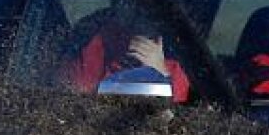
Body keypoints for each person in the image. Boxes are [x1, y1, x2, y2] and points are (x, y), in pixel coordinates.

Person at [63, 18, 191, 103]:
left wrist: (159, 72)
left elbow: (178, 119)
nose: (139, 22)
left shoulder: (174, 72)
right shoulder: (93, 55)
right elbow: (74, 102)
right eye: (134, 11)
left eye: (146, 17)